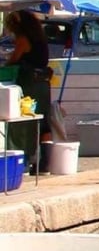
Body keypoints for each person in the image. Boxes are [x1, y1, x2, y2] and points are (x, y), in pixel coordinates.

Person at [6, 10, 52, 167]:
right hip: (44, 83)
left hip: (29, 85)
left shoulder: (23, 39)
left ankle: (23, 160)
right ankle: (45, 162)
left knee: (24, 121)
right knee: (44, 121)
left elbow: (13, 61)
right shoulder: (40, 38)